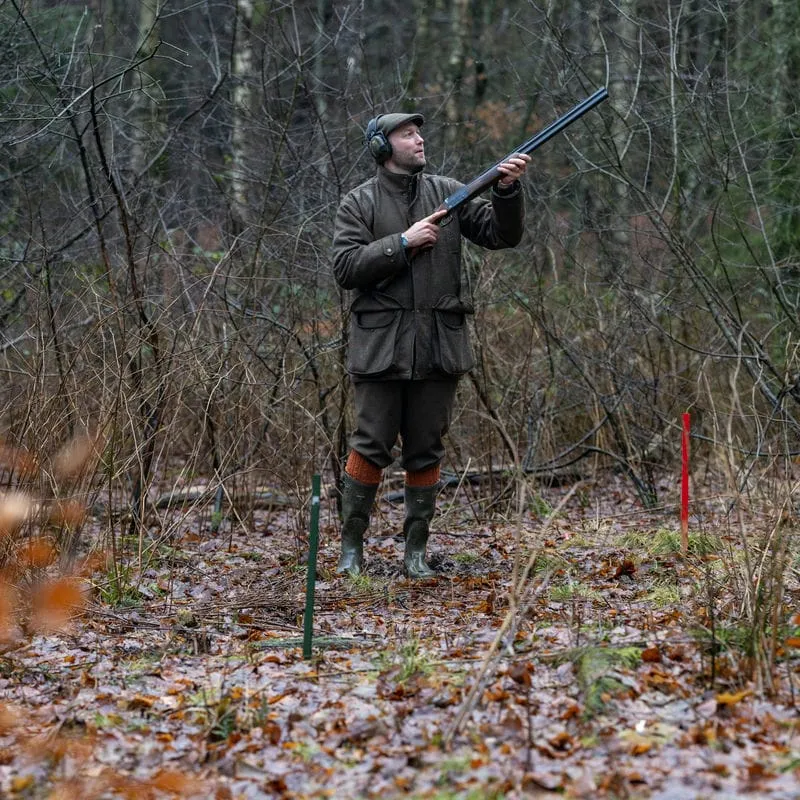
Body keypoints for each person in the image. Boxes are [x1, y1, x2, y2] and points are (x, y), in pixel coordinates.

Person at [332, 111, 529, 578]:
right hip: (381, 350)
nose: (419, 139)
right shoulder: (358, 203)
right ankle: (351, 550)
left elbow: (503, 236)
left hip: (439, 345)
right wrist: (401, 243)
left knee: (426, 449)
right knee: (370, 445)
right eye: (407, 134)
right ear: (383, 147)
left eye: (419, 132)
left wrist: (506, 192)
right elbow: (344, 268)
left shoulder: (449, 192)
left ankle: (415, 552)